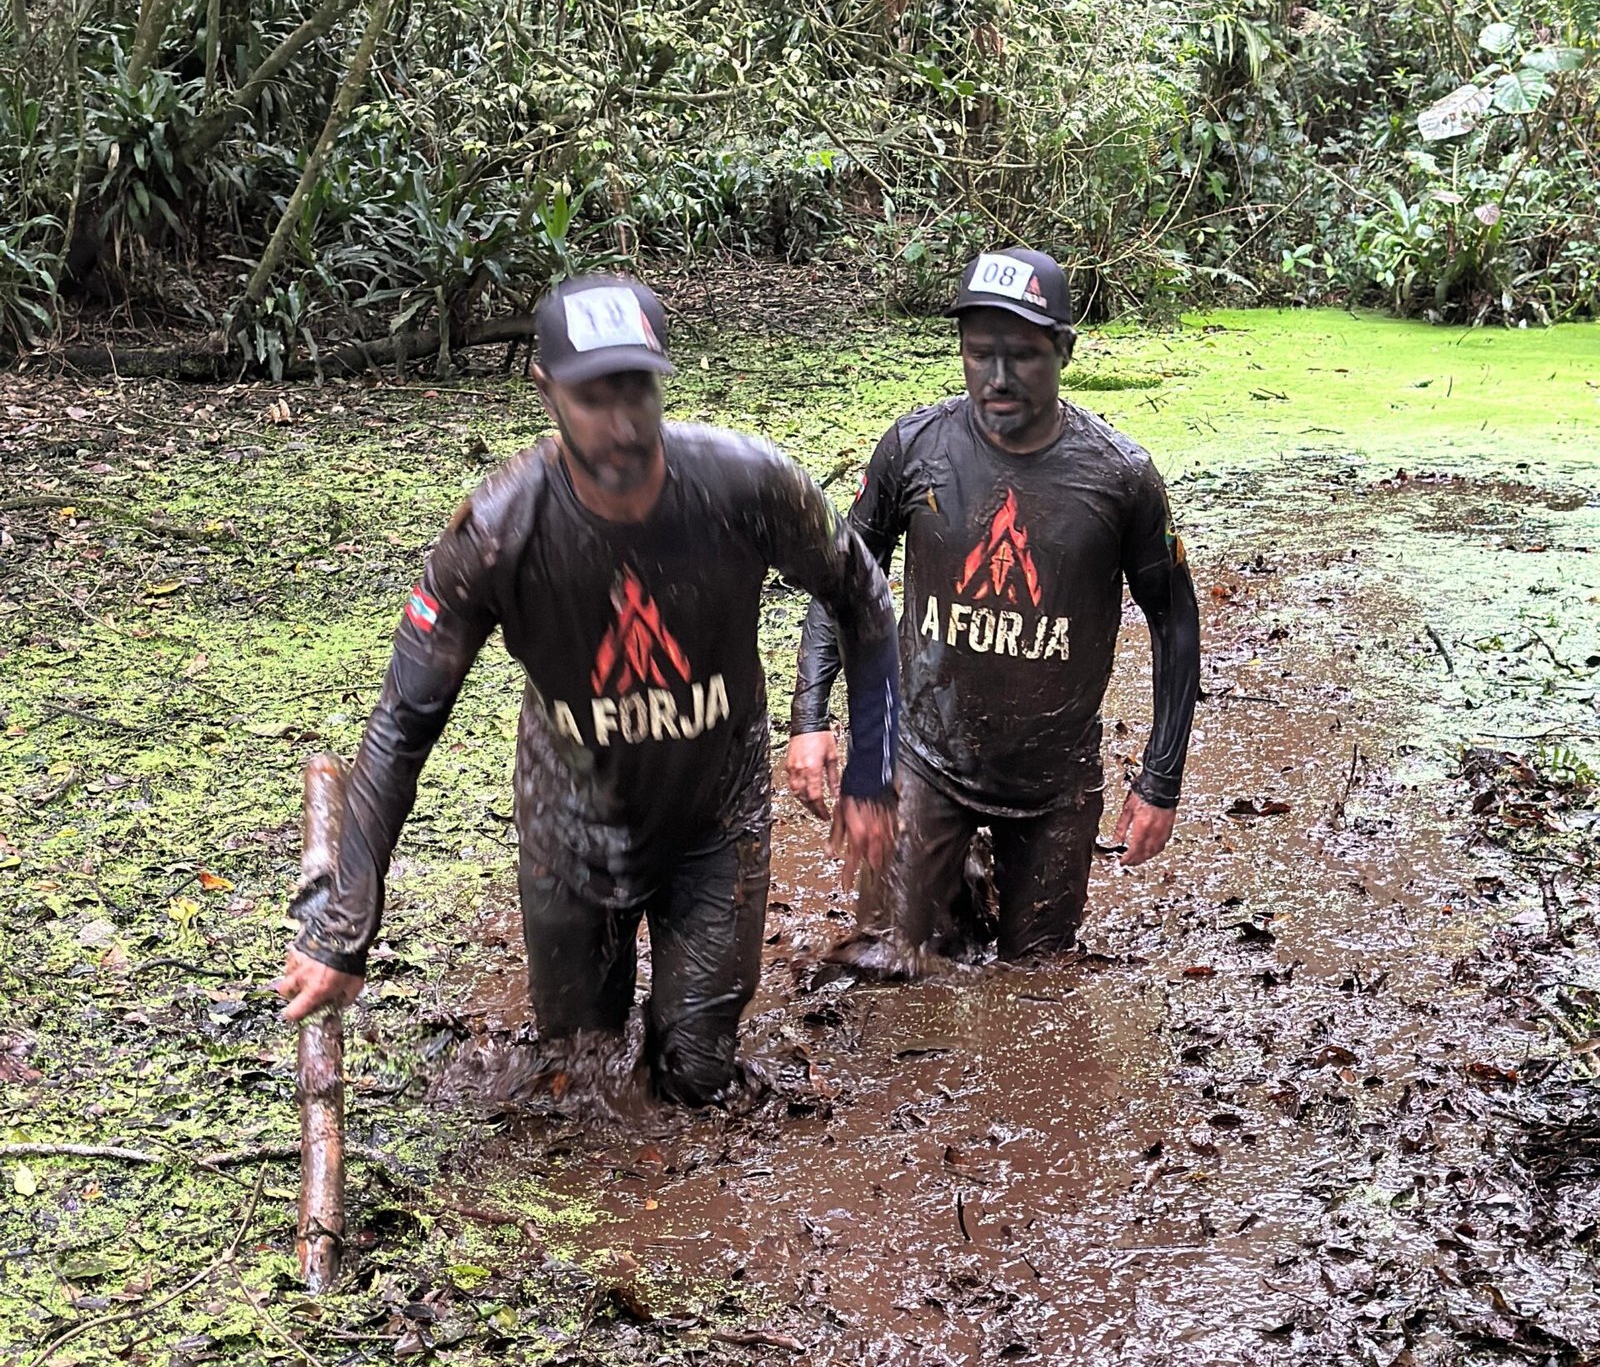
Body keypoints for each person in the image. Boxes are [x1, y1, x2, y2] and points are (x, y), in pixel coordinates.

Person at [279, 273, 900, 1103]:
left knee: (698, 1074)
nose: (620, 425)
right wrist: (343, 928)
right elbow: (402, 723)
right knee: (577, 1074)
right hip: (570, 828)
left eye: (636, 391)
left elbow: (863, 600)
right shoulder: (498, 532)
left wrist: (870, 770)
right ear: (545, 391)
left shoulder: (747, 485)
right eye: (591, 398)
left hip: (714, 822)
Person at [787, 246, 1199, 969]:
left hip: (1054, 781)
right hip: (925, 758)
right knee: (886, 965)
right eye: (980, 354)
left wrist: (1160, 779)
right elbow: (843, 579)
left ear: (1064, 350)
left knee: (1037, 982)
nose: (998, 377)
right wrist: (811, 718)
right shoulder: (914, 449)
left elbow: (1175, 621)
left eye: (1023, 356)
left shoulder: (1120, 476)